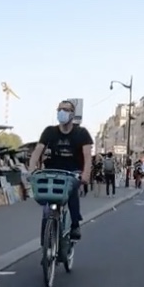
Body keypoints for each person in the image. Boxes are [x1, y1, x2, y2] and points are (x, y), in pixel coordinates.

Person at [28, 100, 93, 240]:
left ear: (72, 114)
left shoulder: (81, 133)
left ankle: (75, 224)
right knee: (47, 201)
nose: (62, 112)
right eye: (59, 109)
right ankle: (47, 234)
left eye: (66, 109)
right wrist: (31, 169)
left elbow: (88, 156)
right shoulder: (49, 131)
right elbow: (37, 151)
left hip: (72, 171)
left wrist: (86, 175)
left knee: (72, 191)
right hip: (52, 170)